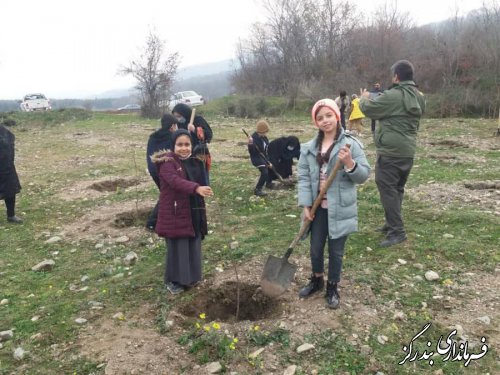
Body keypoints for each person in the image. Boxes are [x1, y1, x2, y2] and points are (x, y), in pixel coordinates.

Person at [297, 99, 370, 309]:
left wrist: (349, 163)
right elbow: (303, 177)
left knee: (336, 251)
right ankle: (317, 279)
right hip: (317, 208)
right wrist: (305, 205)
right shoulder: (309, 148)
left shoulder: (350, 144)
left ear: (337, 116)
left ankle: (332, 286)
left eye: (329, 115)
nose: (325, 120)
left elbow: (363, 175)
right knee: (315, 247)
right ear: (315, 122)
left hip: (341, 208)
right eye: (320, 118)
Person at [360, 60, 425, 247]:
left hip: (390, 152)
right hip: (407, 151)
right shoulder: (419, 96)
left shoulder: (393, 95)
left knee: (388, 190)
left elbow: (369, 110)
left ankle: (398, 231)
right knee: (397, 189)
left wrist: (364, 97)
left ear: (396, 76)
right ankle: (391, 223)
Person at [152, 129, 214, 294]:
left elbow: (203, 179)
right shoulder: (167, 163)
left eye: (187, 144)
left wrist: (204, 187)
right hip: (175, 213)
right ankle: (174, 281)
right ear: (173, 146)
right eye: (179, 145)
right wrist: (196, 188)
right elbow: (176, 182)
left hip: (193, 210)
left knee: (193, 243)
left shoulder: (194, 161)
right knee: (177, 247)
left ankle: (191, 278)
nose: (184, 148)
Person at [145, 114, 178, 231]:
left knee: (168, 194)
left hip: (153, 169)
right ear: (172, 126)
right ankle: (152, 222)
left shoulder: (153, 137)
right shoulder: (172, 137)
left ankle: (167, 217)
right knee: (168, 195)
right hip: (165, 171)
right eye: (176, 125)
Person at [171, 103, 213, 178]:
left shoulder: (198, 120)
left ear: (185, 113)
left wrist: (195, 129)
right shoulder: (177, 124)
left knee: (200, 176)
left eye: (179, 116)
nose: (178, 119)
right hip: (184, 153)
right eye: (176, 117)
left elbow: (209, 135)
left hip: (198, 153)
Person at [0, 124, 23, 223]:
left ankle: (11, 215)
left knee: (10, 191)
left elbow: (11, 141)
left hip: (7, 166)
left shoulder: (4, 131)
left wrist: (9, 160)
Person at [248, 120, 273, 196]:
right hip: (257, 159)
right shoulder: (253, 138)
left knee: (271, 167)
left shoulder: (264, 138)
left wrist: (268, 161)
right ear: (261, 131)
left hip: (264, 158)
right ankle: (258, 189)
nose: (266, 133)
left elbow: (266, 150)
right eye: (265, 132)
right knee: (264, 172)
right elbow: (252, 152)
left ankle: (268, 183)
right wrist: (250, 143)